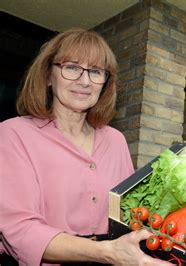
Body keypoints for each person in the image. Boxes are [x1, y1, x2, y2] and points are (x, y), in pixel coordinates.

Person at [0, 28, 173, 265]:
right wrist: (106, 251)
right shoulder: (14, 133)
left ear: (105, 83)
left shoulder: (115, 140)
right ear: (48, 76)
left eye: (95, 71)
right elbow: (19, 229)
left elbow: (130, 214)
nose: (84, 81)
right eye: (71, 67)